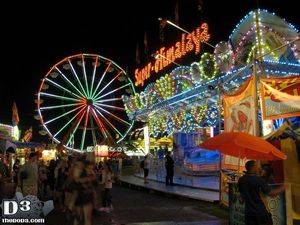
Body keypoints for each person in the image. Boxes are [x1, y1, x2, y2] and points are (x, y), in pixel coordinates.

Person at [238, 160, 285, 225]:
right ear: (253, 167)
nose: (259, 168)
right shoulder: (259, 180)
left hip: (249, 214)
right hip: (261, 213)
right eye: (258, 166)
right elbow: (271, 193)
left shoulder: (241, 180)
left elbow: (241, 197)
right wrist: (283, 187)